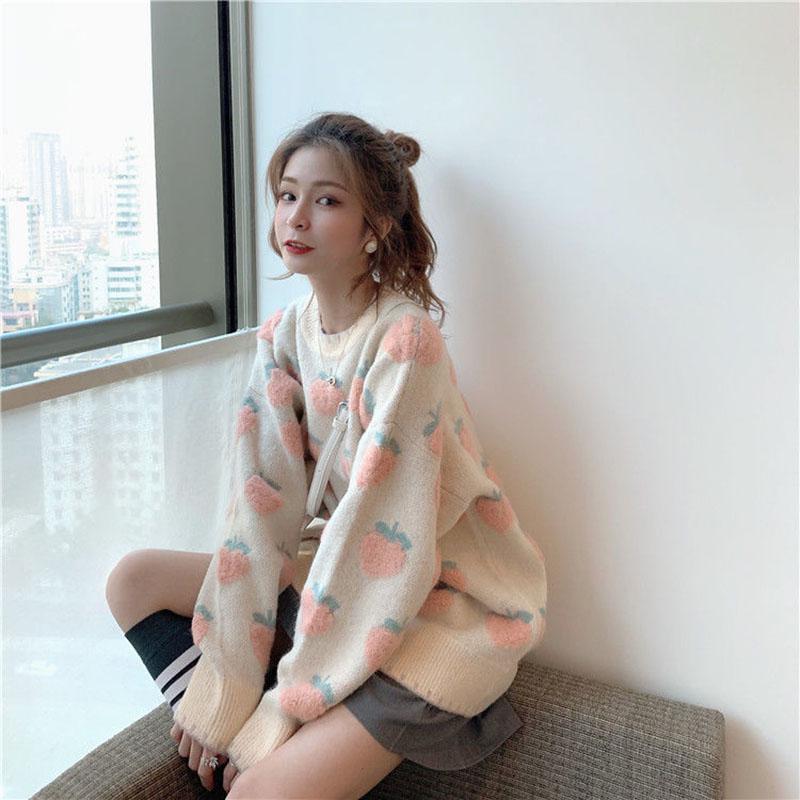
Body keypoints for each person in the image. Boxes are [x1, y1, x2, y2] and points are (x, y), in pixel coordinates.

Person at [105, 111, 548, 799]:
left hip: (438, 608)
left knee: (258, 792)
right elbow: (260, 510)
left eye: (328, 200)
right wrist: (225, 686)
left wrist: (282, 711)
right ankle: (227, 759)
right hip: (337, 577)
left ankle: (268, 762)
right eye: (288, 195)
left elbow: (380, 542)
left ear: (375, 228)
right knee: (133, 580)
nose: (297, 217)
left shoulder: (406, 342)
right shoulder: (284, 336)